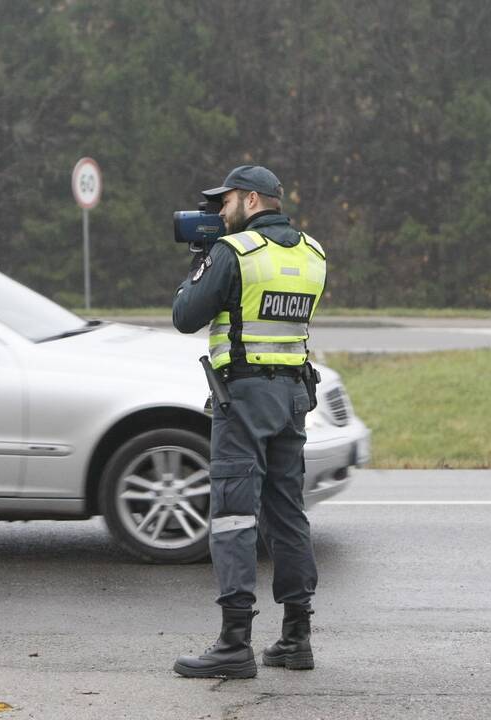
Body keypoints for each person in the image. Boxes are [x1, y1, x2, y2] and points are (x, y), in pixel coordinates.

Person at [171, 165, 327, 679]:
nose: (219, 211)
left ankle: (234, 644)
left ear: (253, 200)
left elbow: (185, 315)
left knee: (234, 514)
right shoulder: (312, 253)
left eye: (226, 201)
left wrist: (201, 260)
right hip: (293, 397)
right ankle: (295, 639)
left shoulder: (233, 254)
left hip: (243, 398)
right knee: (287, 514)